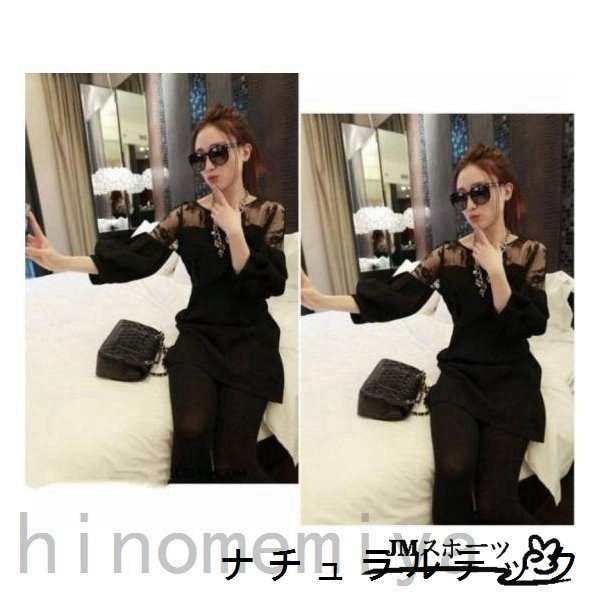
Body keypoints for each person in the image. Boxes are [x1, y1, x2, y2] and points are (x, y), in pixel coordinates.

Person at [26, 104, 288, 484]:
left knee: (234, 459)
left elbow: (270, 284)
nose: (208, 165)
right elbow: (136, 258)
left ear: (244, 151)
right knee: (191, 430)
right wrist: (60, 261)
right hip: (200, 335)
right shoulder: (186, 215)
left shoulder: (270, 214)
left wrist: (235, 232)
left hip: (250, 340)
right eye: (199, 157)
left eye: (218, 153)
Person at [301, 144, 548, 524]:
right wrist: (322, 301)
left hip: (511, 379)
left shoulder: (530, 253)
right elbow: (396, 297)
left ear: (506, 191)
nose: (470, 205)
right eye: (461, 197)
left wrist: (497, 272)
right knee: (452, 470)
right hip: (461, 376)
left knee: (496, 503)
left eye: (479, 192)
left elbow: (532, 324)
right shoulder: (447, 255)